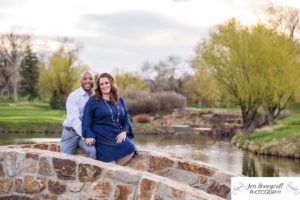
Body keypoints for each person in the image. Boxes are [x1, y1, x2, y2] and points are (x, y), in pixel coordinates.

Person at [82, 72, 136, 165]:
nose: (104, 86)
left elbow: (126, 117)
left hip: (116, 135)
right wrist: (89, 135)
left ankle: (115, 170)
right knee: (110, 164)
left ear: (111, 83)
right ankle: (114, 170)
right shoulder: (94, 100)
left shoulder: (120, 100)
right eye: (101, 84)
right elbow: (86, 119)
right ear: (99, 86)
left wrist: (124, 132)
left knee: (131, 148)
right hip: (102, 138)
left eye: (106, 83)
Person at [60, 71, 97, 159]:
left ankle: (91, 172)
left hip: (86, 131)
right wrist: (86, 136)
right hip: (71, 133)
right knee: (65, 161)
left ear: (94, 82)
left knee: (93, 151)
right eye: (85, 78)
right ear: (80, 81)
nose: (88, 81)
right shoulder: (74, 96)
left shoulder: (96, 97)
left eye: (90, 79)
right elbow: (74, 120)